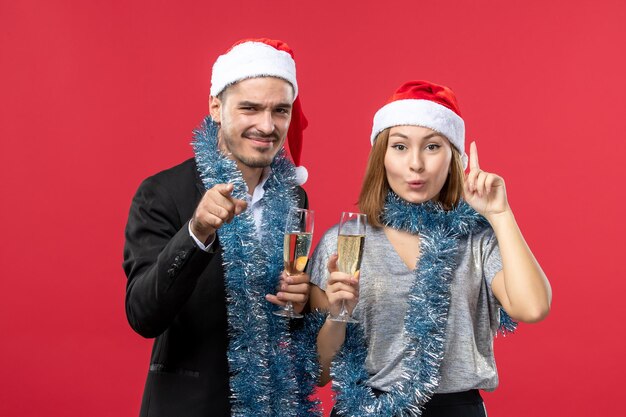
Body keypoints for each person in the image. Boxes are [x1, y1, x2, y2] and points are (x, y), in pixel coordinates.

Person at [308, 80, 552, 416]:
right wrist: (338, 314)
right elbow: (319, 373)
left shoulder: (476, 239)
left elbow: (533, 307)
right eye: (400, 147)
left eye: (432, 147)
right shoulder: (344, 242)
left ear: (454, 157)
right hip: (363, 407)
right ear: (381, 156)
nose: (416, 164)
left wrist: (500, 214)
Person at [123, 38, 319, 417]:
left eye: (280, 110)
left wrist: (303, 301)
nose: (267, 125)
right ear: (216, 106)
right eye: (250, 108)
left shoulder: (295, 199)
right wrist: (196, 231)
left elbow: (291, 320)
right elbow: (143, 314)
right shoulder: (162, 193)